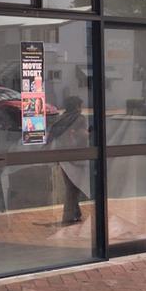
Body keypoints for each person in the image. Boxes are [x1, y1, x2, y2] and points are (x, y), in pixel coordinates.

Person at [48, 96, 90, 224]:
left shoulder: (62, 118)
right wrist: (89, 133)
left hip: (64, 157)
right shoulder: (78, 118)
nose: (81, 108)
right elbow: (82, 136)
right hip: (75, 156)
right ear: (77, 106)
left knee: (71, 186)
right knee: (73, 188)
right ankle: (68, 216)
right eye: (80, 105)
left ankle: (76, 213)